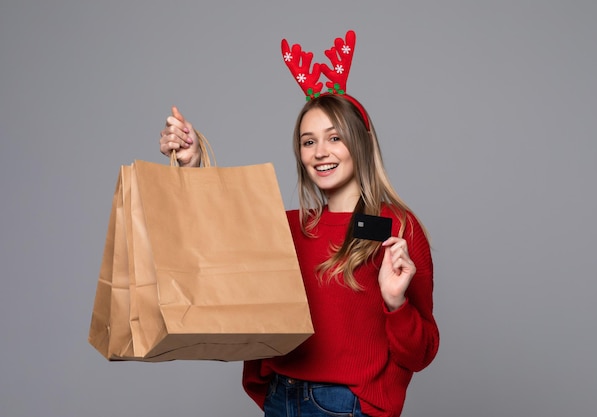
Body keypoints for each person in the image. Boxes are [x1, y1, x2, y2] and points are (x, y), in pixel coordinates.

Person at [159, 31, 438, 417]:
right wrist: (191, 163)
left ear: (360, 143)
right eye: (308, 142)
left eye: (334, 138)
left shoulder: (397, 228)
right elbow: (215, 236)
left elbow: (420, 354)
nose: (320, 152)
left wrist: (396, 303)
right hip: (280, 396)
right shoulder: (289, 226)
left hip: (345, 405)